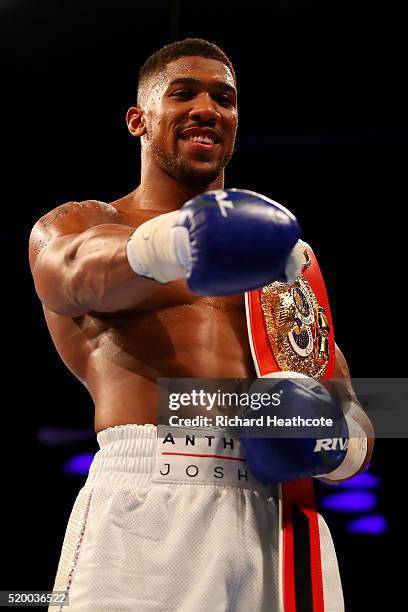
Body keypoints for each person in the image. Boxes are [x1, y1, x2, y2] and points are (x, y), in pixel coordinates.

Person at [29, 38, 374, 611]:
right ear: (139, 119)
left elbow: (350, 393)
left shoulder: (287, 257)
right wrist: (178, 242)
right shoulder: (87, 223)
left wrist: (337, 445)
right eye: (183, 93)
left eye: (224, 98)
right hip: (154, 497)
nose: (207, 108)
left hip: (283, 520)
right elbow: (72, 275)